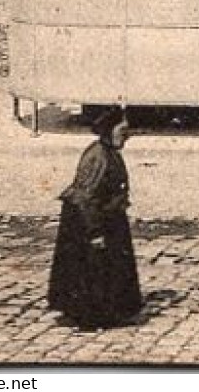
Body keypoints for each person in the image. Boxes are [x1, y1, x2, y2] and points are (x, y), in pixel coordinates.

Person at [49, 107, 142, 331]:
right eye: (123, 131)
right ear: (110, 130)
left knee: (112, 266)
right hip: (89, 220)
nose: (126, 136)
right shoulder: (98, 157)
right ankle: (91, 316)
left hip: (107, 217)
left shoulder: (110, 153)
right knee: (93, 269)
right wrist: (94, 232)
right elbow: (85, 199)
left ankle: (113, 311)